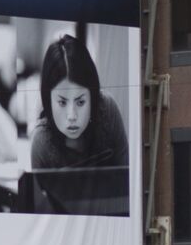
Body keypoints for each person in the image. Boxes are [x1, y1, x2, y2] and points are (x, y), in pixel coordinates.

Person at [30, 35, 128, 169]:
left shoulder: (107, 110)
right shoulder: (41, 141)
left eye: (80, 102)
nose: (72, 116)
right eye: (62, 103)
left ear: (93, 97)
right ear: (48, 100)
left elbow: (128, 176)